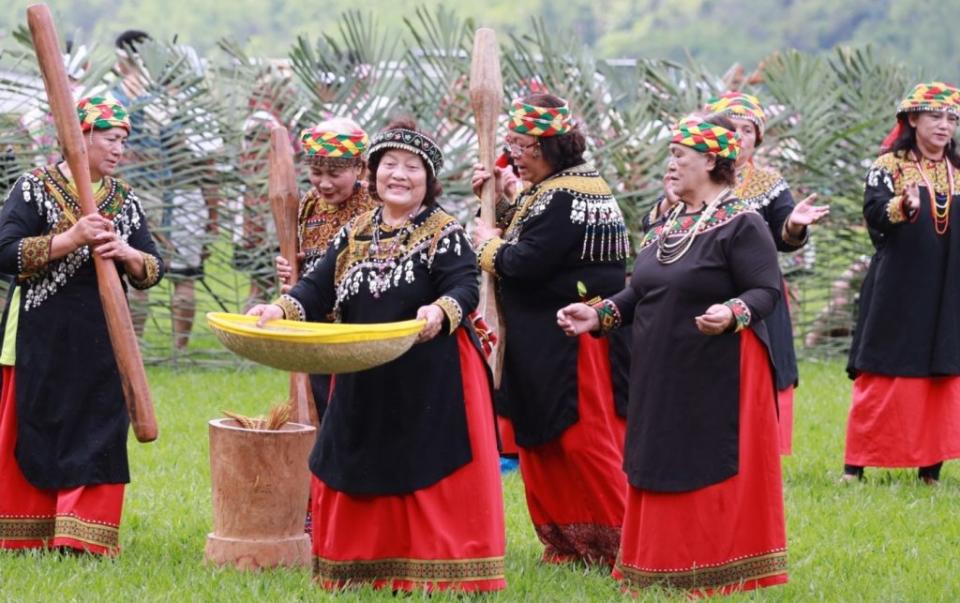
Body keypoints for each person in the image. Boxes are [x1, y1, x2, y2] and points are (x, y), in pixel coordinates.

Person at [248, 118, 505, 593]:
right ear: (372, 174)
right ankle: (363, 565)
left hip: (431, 373)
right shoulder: (354, 233)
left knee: (425, 461)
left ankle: (432, 569)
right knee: (356, 458)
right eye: (390, 165)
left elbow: (464, 285)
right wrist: (279, 308)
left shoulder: (443, 231)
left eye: (412, 167)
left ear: (428, 181)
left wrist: (438, 311)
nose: (399, 175)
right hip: (365, 370)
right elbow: (315, 287)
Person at [558, 114, 787, 595]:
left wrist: (732, 311)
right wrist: (598, 316)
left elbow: (766, 289)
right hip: (659, 368)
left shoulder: (741, 223)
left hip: (714, 370)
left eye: (679, 154)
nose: (670, 164)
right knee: (655, 458)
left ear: (710, 160)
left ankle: (708, 567)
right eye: (670, 154)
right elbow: (641, 292)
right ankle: (653, 565)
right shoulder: (667, 225)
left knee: (700, 460)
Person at [0, 95, 164, 555]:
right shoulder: (33, 187)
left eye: (123, 142)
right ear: (81, 137)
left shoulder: (124, 200)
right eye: (110, 139)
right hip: (39, 335)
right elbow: (4, 253)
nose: (119, 150)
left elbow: (154, 268)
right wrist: (69, 238)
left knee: (97, 427)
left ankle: (82, 536)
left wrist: (129, 255)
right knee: (35, 423)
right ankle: (25, 531)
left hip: (101, 340)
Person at [471, 94, 630, 566]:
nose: (512, 153)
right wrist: (502, 202)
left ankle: (622, 542)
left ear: (543, 147)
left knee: (579, 442)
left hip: (569, 341)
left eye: (518, 145)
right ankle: (572, 543)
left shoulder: (567, 193)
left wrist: (486, 245)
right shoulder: (563, 187)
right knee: (544, 440)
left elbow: (525, 260)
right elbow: (536, 236)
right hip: (549, 337)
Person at [646, 93, 829, 455]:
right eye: (733, 128)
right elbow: (654, 230)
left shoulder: (768, 183)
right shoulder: (691, 174)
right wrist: (670, 200)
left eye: (748, 130)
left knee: (757, 364)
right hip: (691, 288)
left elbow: (785, 239)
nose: (740, 136)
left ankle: (758, 444)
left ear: (757, 139)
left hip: (751, 289)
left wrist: (792, 223)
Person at [843, 82, 960, 485]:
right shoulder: (888, 166)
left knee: (940, 370)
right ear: (913, 119)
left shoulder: (958, 169)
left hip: (948, 288)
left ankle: (930, 469)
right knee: (883, 368)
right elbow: (873, 213)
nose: (944, 126)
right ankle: (855, 466)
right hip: (898, 285)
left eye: (951, 119)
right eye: (935, 117)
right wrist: (903, 205)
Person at [274, 118, 376, 418]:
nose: (324, 183)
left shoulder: (375, 203)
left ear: (359, 167)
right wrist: (292, 268)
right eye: (316, 173)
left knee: (355, 410)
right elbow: (303, 254)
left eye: (335, 173)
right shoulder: (307, 204)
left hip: (357, 327)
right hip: (315, 324)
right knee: (318, 407)